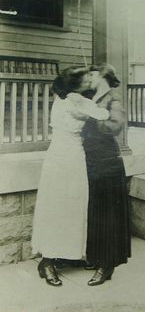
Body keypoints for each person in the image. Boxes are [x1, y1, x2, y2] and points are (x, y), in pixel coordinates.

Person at [31, 66, 109, 287]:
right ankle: (46, 262)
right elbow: (102, 114)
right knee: (56, 205)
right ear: (75, 84)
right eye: (85, 79)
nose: (88, 81)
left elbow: (97, 113)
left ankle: (64, 254)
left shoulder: (71, 99)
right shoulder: (71, 101)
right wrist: (97, 97)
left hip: (70, 156)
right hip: (63, 157)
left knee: (71, 205)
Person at [82, 64, 131, 286]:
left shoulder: (113, 99)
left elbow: (115, 126)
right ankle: (97, 257)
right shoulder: (92, 97)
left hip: (108, 163)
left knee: (108, 214)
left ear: (102, 76)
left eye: (91, 74)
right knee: (96, 211)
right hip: (91, 161)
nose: (88, 78)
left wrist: (92, 118)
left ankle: (107, 265)